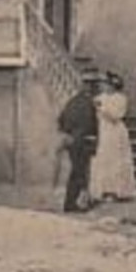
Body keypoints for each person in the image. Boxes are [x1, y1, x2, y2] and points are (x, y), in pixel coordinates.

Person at [89, 72, 136, 202]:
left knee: (115, 160)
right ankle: (103, 190)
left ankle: (117, 190)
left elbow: (117, 115)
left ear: (112, 85)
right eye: (103, 84)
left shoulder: (120, 98)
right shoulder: (100, 97)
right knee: (103, 160)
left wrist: (102, 108)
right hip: (103, 130)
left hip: (115, 132)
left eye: (106, 84)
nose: (104, 86)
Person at [56, 77, 101, 213]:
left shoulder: (72, 101)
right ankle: (75, 203)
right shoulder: (88, 104)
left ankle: (71, 203)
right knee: (80, 173)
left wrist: (68, 133)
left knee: (76, 172)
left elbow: (61, 120)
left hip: (71, 141)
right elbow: (90, 124)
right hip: (82, 141)